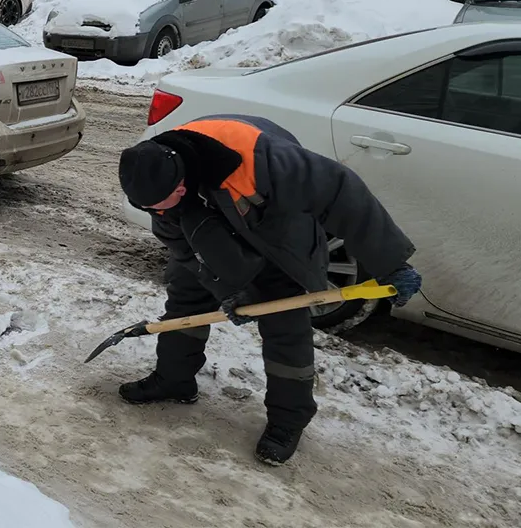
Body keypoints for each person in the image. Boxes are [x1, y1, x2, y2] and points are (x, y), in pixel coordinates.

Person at [117, 114, 421, 466]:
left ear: (181, 185)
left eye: (162, 203)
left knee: (283, 323)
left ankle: (288, 420)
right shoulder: (155, 187)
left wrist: (391, 263)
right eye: (150, 208)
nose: (157, 213)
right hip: (209, 223)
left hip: (277, 229)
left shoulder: (265, 160)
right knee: (186, 296)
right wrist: (229, 288)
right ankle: (174, 380)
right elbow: (186, 252)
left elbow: (342, 193)